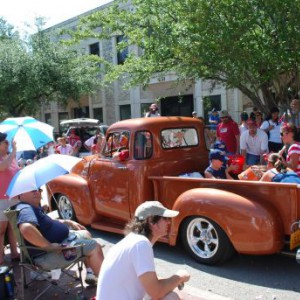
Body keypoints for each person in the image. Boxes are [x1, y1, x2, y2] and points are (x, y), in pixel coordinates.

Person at [96, 201, 190, 300]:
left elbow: (150, 285)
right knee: (171, 297)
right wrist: (180, 276)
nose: (169, 222)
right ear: (151, 221)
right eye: (165, 218)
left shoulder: (132, 241)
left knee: (165, 291)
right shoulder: (141, 244)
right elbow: (156, 292)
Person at [16, 188, 104, 285]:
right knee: (94, 246)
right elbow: (26, 228)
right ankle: (107, 286)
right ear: (21, 194)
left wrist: (67, 221)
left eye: (39, 189)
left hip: (60, 245)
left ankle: (90, 273)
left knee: (85, 234)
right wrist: (48, 246)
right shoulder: (26, 209)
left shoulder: (33, 208)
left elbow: (49, 224)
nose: (37, 192)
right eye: (32, 190)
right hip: (48, 256)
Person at [0, 132, 20, 265]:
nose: (8, 144)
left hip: (14, 197)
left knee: (13, 227)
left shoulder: (11, 157)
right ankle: (0, 257)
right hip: (1, 199)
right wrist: (13, 152)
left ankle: (14, 252)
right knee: (1, 230)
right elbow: (2, 167)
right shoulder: (9, 157)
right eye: (5, 142)